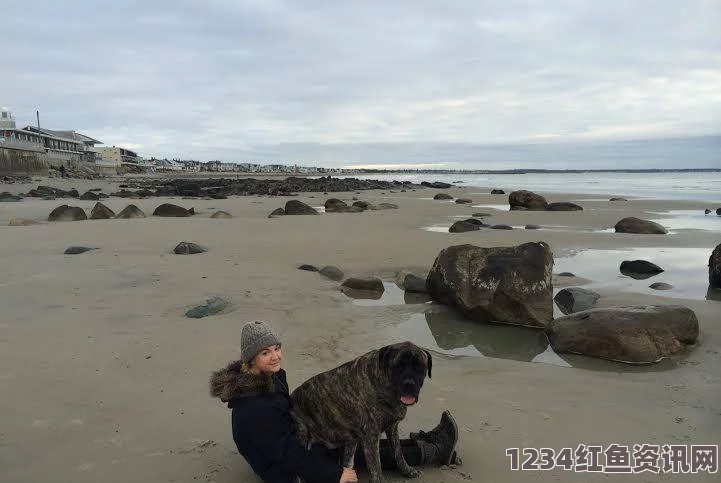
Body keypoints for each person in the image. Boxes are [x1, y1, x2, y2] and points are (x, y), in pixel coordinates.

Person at [210, 320, 460, 483]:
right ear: (250, 359)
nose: (276, 356)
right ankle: (433, 450)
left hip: (300, 437)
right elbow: (287, 453)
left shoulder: (267, 378)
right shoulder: (254, 408)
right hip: (285, 470)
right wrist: (335, 474)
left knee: (361, 435)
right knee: (363, 448)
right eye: (266, 353)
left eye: (277, 348)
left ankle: (426, 443)